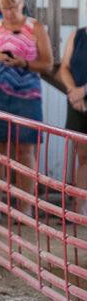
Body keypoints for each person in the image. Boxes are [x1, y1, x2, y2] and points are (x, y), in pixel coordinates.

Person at [0, 0, 53, 215]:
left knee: (25, 150)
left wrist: (24, 63)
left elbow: (48, 64)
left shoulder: (36, 28)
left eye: (13, 6)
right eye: (4, 7)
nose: (9, 12)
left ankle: (25, 207)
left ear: (22, 2)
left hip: (27, 95)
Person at [57, 21, 87, 216]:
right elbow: (64, 68)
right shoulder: (77, 35)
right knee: (83, 157)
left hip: (80, 95)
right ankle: (81, 207)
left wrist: (82, 91)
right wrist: (72, 92)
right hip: (77, 103)